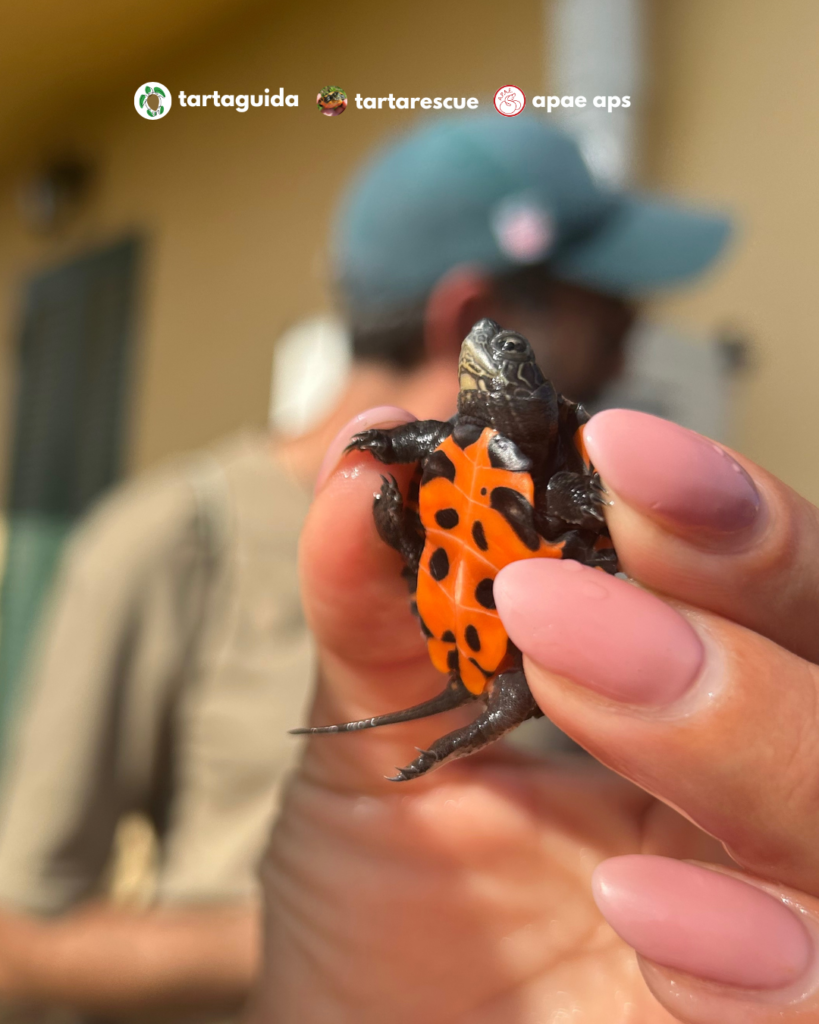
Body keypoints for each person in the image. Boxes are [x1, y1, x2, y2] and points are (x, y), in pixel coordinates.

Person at [0, 115, 729, 1019]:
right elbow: (19, 945)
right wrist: (361, 922)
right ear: (470, 315)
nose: (631, 346)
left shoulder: (588, 510)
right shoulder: (168, 540)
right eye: (610, 311)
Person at [251, 405, 819, 1023]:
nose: (491, 346)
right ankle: (458, 718)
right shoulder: (457, 440)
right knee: (481, 623)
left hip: (476, 617)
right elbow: (424, 444)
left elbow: (594, 513)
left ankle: (460, 735)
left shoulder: (554, 479)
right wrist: (389, 443)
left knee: (512, 681)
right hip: (455, 589)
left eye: (508, 359)